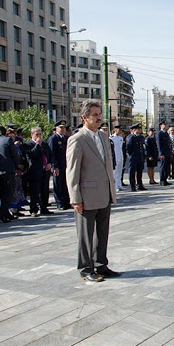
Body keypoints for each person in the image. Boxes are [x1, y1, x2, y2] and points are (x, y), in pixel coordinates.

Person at [66, 99, 120, 282]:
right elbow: (72, 170)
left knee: (102, 232)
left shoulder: (104, 136)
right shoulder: (77, 139)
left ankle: (100, 265)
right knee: (86, 235)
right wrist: (75, 197)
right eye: (95, 115)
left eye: (100, 115)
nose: (99, 119)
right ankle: (85, 268)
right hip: (86, 196)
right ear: (84, 117)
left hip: (104, 193)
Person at [0, 126, 19, 223]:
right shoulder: (7, 140)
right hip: (8, 171)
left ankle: (6, 213)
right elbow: (14, 154)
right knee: (9, 193)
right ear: (5, 133)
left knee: (3, 194)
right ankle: (1, 214)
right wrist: (17, 166)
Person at [26, 127, 53, 216]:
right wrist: (37, 145)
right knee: (35, 191)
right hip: (35, 171)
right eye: (37, 134)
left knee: (44, 190)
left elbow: (50, 154)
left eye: (40, 134)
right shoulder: (28, 144)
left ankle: (44, 207)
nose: (39, 136)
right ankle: (33, 209)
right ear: (32, 135)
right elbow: (31, 155)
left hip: (45, 170)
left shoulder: (44, 144)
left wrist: (49, 163)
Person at [48, 120, 71, 210]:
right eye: (61, 127)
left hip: (66, 165)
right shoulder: (53, 139)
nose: (63, 129)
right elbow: (51, 153)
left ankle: (66, 201)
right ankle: (59, 203)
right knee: (57, 184)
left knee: (65, 184)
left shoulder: (66, 138)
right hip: (58, 165)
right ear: (56, 128)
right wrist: (54, 166)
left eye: (64, 128)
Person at [8, 128, 28, 217]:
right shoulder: (8, 146)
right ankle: (13, 209)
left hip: (19, 171)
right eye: (10, 136)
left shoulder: (16, 146)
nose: (12, 138)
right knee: (13, 192)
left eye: (13, 136)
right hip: (13, 170)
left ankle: (18, 208)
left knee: (19, 190)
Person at [126, 123, 146, 191]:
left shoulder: (140, 137)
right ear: (134, 129)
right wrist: (131, 155)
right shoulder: (131, 137)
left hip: (140, 157)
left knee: (139, 171)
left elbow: (142, 147)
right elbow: (128, 148)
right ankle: (133, 186)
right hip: (134, 157)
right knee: (132, 172)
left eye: (140, 129)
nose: (139, 130)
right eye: (138, 129)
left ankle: (139, 185)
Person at [156, 120, 172, 186]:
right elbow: (159, 144)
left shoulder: (166, 133)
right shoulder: (159, 133)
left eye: (166, 124)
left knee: (167, 167)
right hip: (163, 153)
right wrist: (161, 153)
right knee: (162, 167)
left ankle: (165, 179)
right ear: (161, 126)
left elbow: (168, 143)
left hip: (167, 152)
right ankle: (162, 180)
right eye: (164, 125)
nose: (165, 126)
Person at [110, 124, 126, 192]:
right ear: (115, 130)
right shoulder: (111, 138)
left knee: (120, 171)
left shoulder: (121, 138)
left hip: (120, 155)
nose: (120, 131)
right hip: (115, 156)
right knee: (115, 172)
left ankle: (119, 184)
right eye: (119, 129)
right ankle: (115, 186)